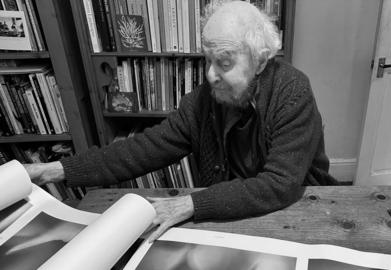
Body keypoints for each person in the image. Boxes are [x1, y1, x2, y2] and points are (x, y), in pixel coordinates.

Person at [24, 0, 336, 242]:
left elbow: (279, 185)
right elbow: (143, 149)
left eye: (224, 62)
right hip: (227, 213)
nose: (211, 75)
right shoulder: (202, 101)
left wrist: (191, 204)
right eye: (208, 60)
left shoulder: (292, 91)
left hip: (301, 211)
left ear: (261, 60)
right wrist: (53, 170)